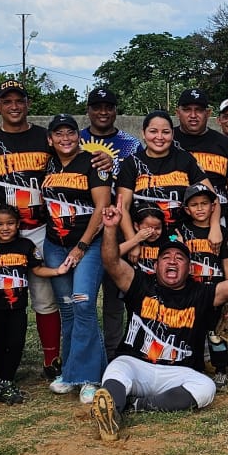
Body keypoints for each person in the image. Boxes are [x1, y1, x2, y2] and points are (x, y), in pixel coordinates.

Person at [91, 193, 228, 441]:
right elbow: (111, 261)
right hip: (136, 364)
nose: (172, 261)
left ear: (189, 268)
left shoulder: (200, 293)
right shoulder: (139, 284)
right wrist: (111, 229)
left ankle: (135, 406)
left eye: (180, 258)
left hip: (178, 371)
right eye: (166, 257)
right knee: (116, 371)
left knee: (206, 389)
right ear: (156, 266)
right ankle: (110, 408)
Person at [0, 80, 68, 382]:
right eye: (6, 101)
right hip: (0, 232)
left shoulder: (43, 138)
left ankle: (52, 360)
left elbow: (71, 159)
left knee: (44, 297)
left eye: (19, 100)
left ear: (28, 103)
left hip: (39, 228)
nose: (13, 106)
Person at [41, 114, 111, 404]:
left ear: (78, 136)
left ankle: (91, 376)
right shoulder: (47, 163)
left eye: (70, 132)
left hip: (89, 244)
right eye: (59, 134)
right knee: (68, 309)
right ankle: (71, 372)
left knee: (83, 303)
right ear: (50, 139)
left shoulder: (93, 162)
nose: (65, 138)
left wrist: (81, 246)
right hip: (55, 244)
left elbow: (102, 206)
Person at [0, 203, 70, 404]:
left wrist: (57, 271)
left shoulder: (25, 246)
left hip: (17, 309)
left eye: (10, 223)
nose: (5, 228)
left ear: (18, 224)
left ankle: (7, 380)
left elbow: (37, 270)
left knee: (15, 344)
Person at [80, 87, 143, 362]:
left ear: (116, 110)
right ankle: (85, 354)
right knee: (82, 297)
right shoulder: (76, 140)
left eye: (108, 106)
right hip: (83, 226)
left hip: (120, 226)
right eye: (97, 107)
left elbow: (140, 178)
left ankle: (118, 351)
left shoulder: (130, 144)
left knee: (118, 294)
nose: (103, 112)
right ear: (88, 110)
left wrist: (114, 165)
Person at [117, 111, 217, 236]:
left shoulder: (185, 159)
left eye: (165, 132)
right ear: (143, 133)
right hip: (145, 238)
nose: (159, 137)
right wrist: (133, 241)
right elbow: (123, 207)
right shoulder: (132, 163)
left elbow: (213, 197)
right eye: (153, 131)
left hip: (181, 236)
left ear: (172, 134)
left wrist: (215, 228)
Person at [175, 184, 228, 390]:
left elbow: (227, 262)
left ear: (213, 207)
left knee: (215, 333)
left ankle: (220, 370)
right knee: (192, 331)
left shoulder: (221, 232)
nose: (200, 208)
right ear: (186, 209)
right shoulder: (181, 231)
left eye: (204, 204)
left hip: (215, 290)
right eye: (194, 204)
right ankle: (194, 368)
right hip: (191, 290)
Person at [174, 89, 228, 252]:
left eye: (199, 110)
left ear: (208, 113)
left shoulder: (224, 144)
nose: (193, 115)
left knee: (219, 272)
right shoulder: (167, 139)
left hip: (216, 225)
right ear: (177, 112)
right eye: (187, 110)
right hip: (176, 224)